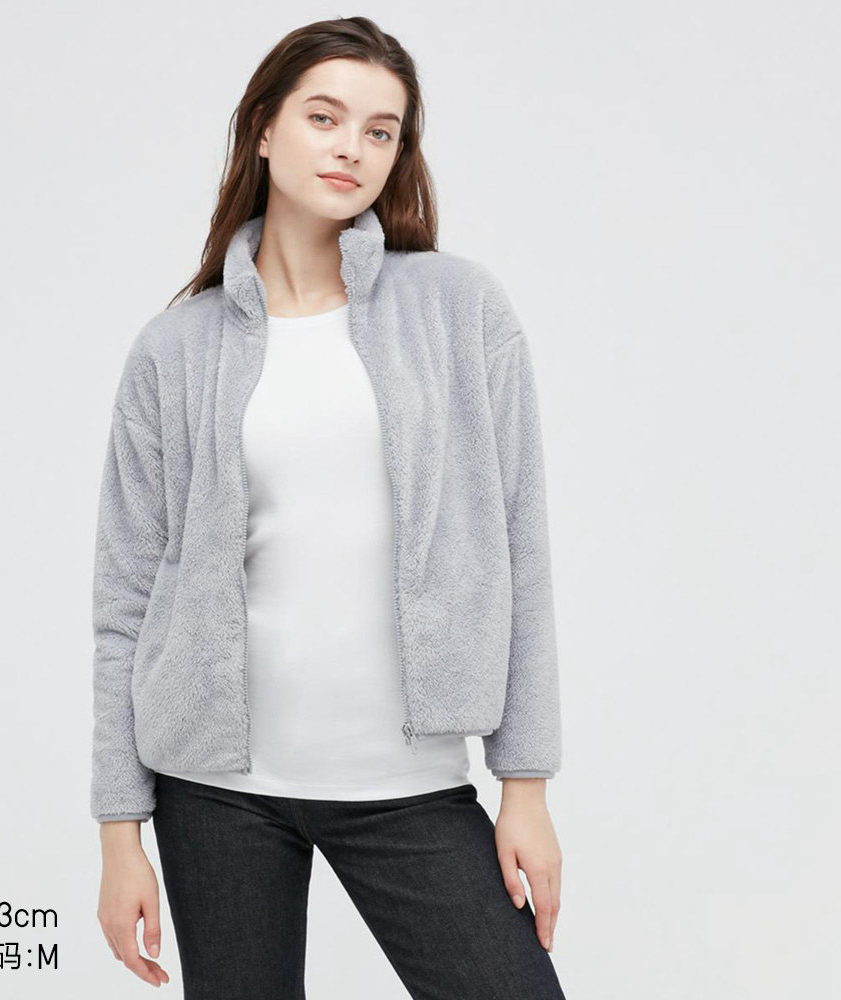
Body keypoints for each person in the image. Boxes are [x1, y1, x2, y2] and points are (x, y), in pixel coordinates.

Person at [92, 16, 566, 999]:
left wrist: (524, 786)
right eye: (325, 116)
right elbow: (125, 599)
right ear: (264, 129)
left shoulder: (459, 311)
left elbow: (518, 551)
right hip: (215, 793)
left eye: (381, 130)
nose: (353, 146)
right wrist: (119, 832)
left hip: (407, 785)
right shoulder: (174, 350)